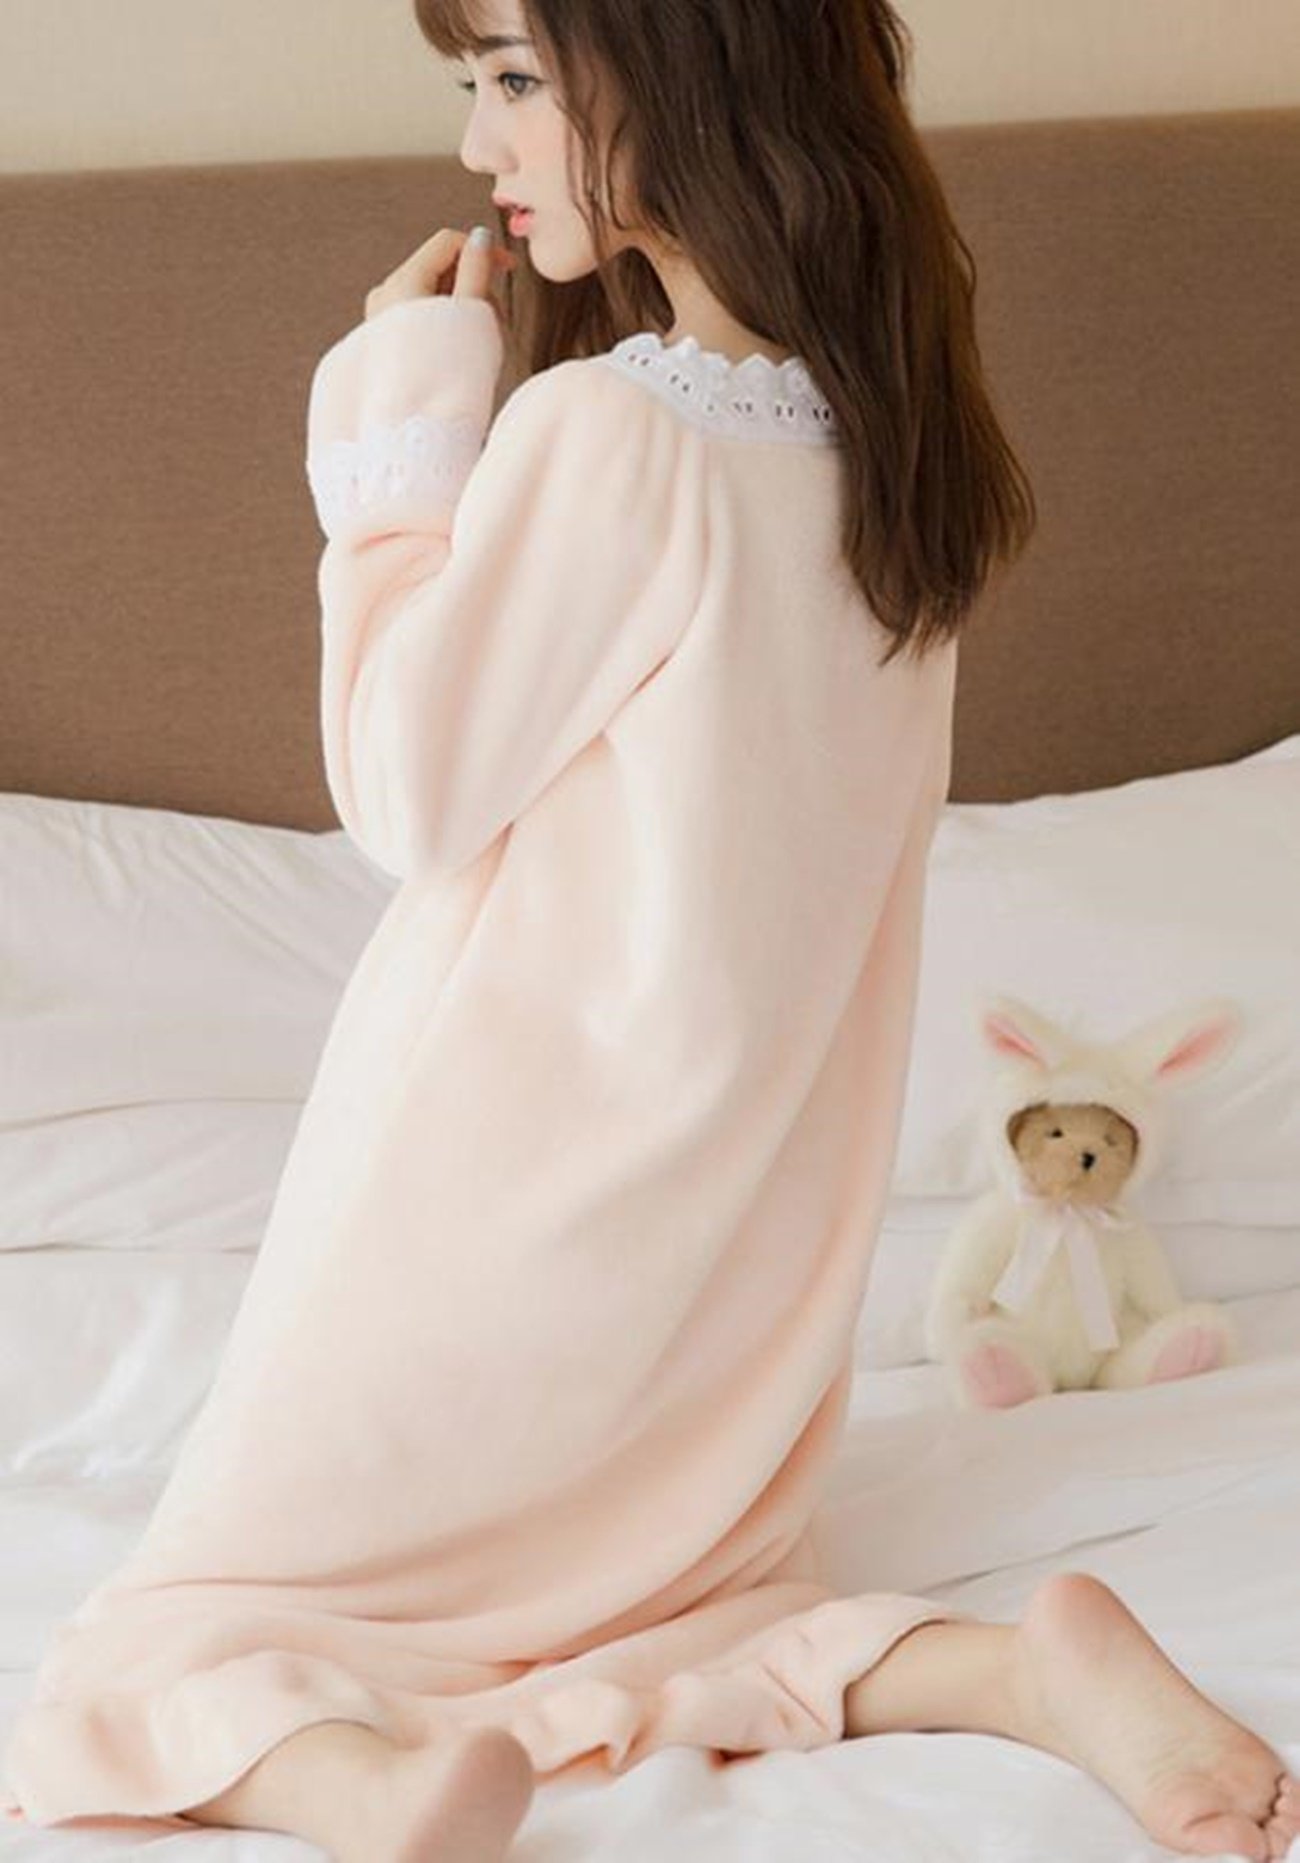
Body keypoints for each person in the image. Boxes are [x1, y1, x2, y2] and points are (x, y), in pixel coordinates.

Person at [4, 3, 1298, 1861]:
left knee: (137, 1663)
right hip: (732, 1268)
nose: (480, 146)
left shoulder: (609, 432)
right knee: (692, 1612)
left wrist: (393, 445)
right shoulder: (890, 456)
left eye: (515, 79)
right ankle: (1016, 1677)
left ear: (684, 75)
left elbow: (407, 796)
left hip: (496, 1215)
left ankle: (365, 1787)